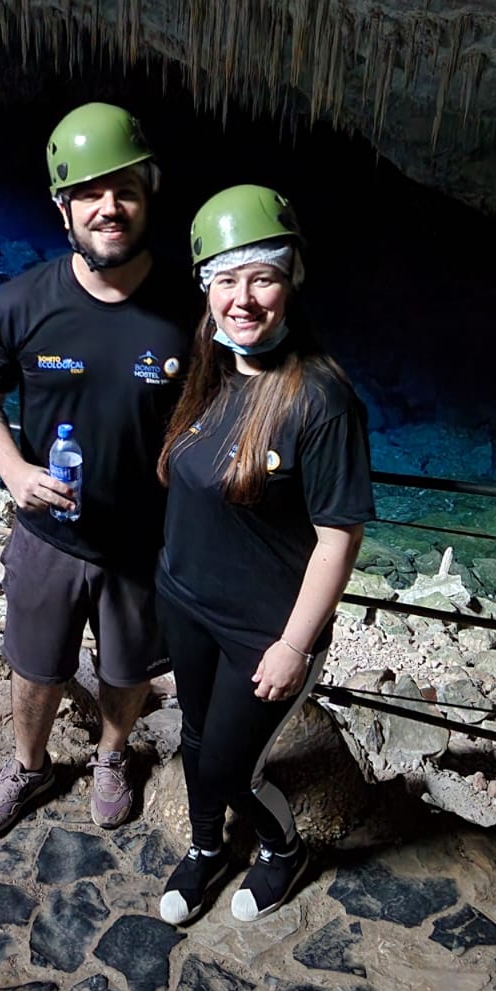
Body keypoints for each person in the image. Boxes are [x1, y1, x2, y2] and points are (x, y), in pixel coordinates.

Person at [0, 102, 192, 835]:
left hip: (143, 545)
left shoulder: (192, 310)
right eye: (89, 194)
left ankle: (112, 756)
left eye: (124, 189)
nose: (109, 207)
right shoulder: (22, 304)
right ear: (64, 210)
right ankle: (30, 766)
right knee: (36, 665)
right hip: (49, 535)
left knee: (128, 672)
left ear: (147, 196)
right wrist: (15, 473)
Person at [153, 184, 374, 924]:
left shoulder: (321, 399)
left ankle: (283, 850)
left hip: (263, 629)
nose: (243, 299)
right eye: (226, 279)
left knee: (227, 763)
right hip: (185, 601)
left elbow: (339, 537)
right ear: (207, 291)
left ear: (292, 283)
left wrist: (293, 645)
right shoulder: (206, 371)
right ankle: (209, 849)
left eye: (262, 277)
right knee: (190, 737)